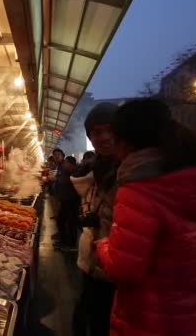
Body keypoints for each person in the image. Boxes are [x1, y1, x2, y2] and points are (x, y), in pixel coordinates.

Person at [95, 98, 196, 336]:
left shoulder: (139, 189)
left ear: (123, 142)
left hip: (151, 320)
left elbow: (124, 269)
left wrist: (102, 244)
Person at [70, 102, 120, 336]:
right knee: (89, 317)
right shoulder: (94, 173)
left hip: (117, 270)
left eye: (110, 130)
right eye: (97, 132)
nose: (104, 137)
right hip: (93, 263)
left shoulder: (130, 171)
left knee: (105, 323)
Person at [55, 155, 80, 251]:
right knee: (61, 221)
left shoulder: (76, 173)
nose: (64, 164)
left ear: (71, 164)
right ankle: (63, 241)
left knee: (71, 223)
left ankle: (71, 245)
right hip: (65, 200)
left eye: (66, 162)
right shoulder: (65, 172)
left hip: (72, 202)